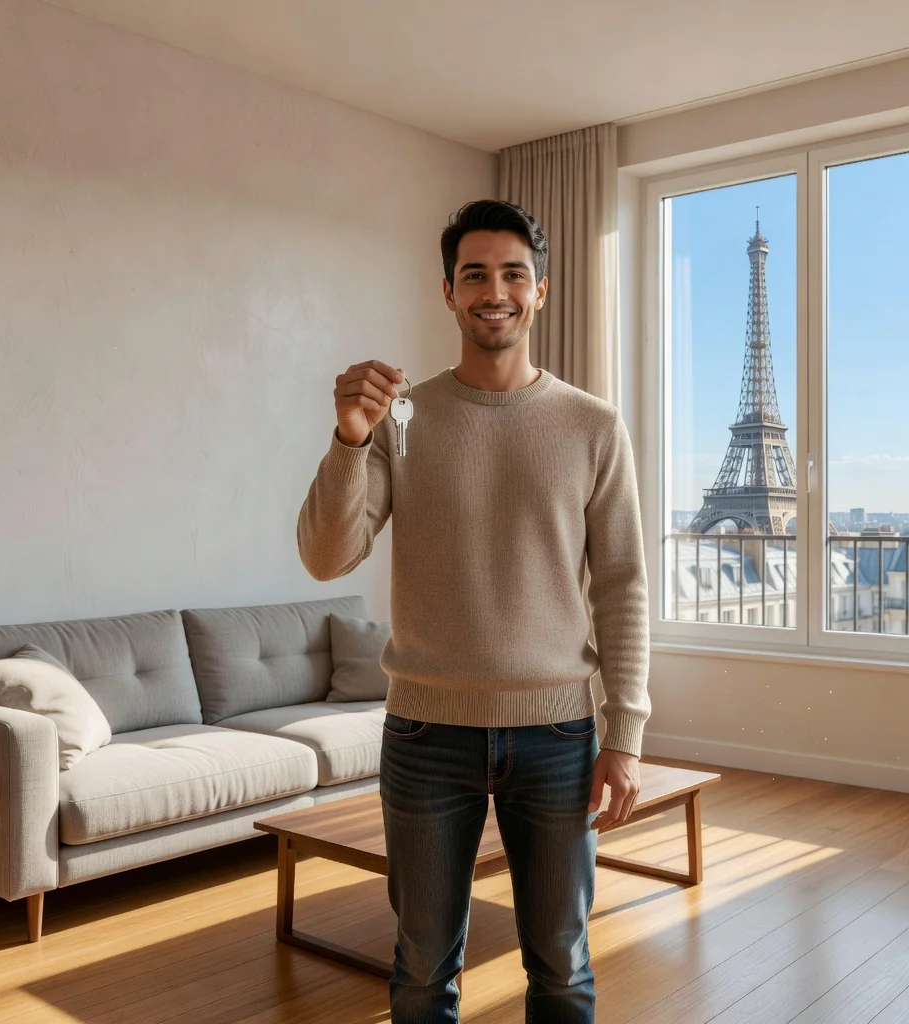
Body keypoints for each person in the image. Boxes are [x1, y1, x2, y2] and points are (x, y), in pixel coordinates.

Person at [297, 199, 650, 1023]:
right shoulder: (401, 419)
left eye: (513, 275)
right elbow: (325, 557)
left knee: (562, 966)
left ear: (541, 291)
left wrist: (625, 732)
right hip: (425, 735)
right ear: (449, 293)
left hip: (559, 734)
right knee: (422, 970)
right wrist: (349, 438)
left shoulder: (594, 425)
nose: (495, 292)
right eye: (476, 275)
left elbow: (623, 583)